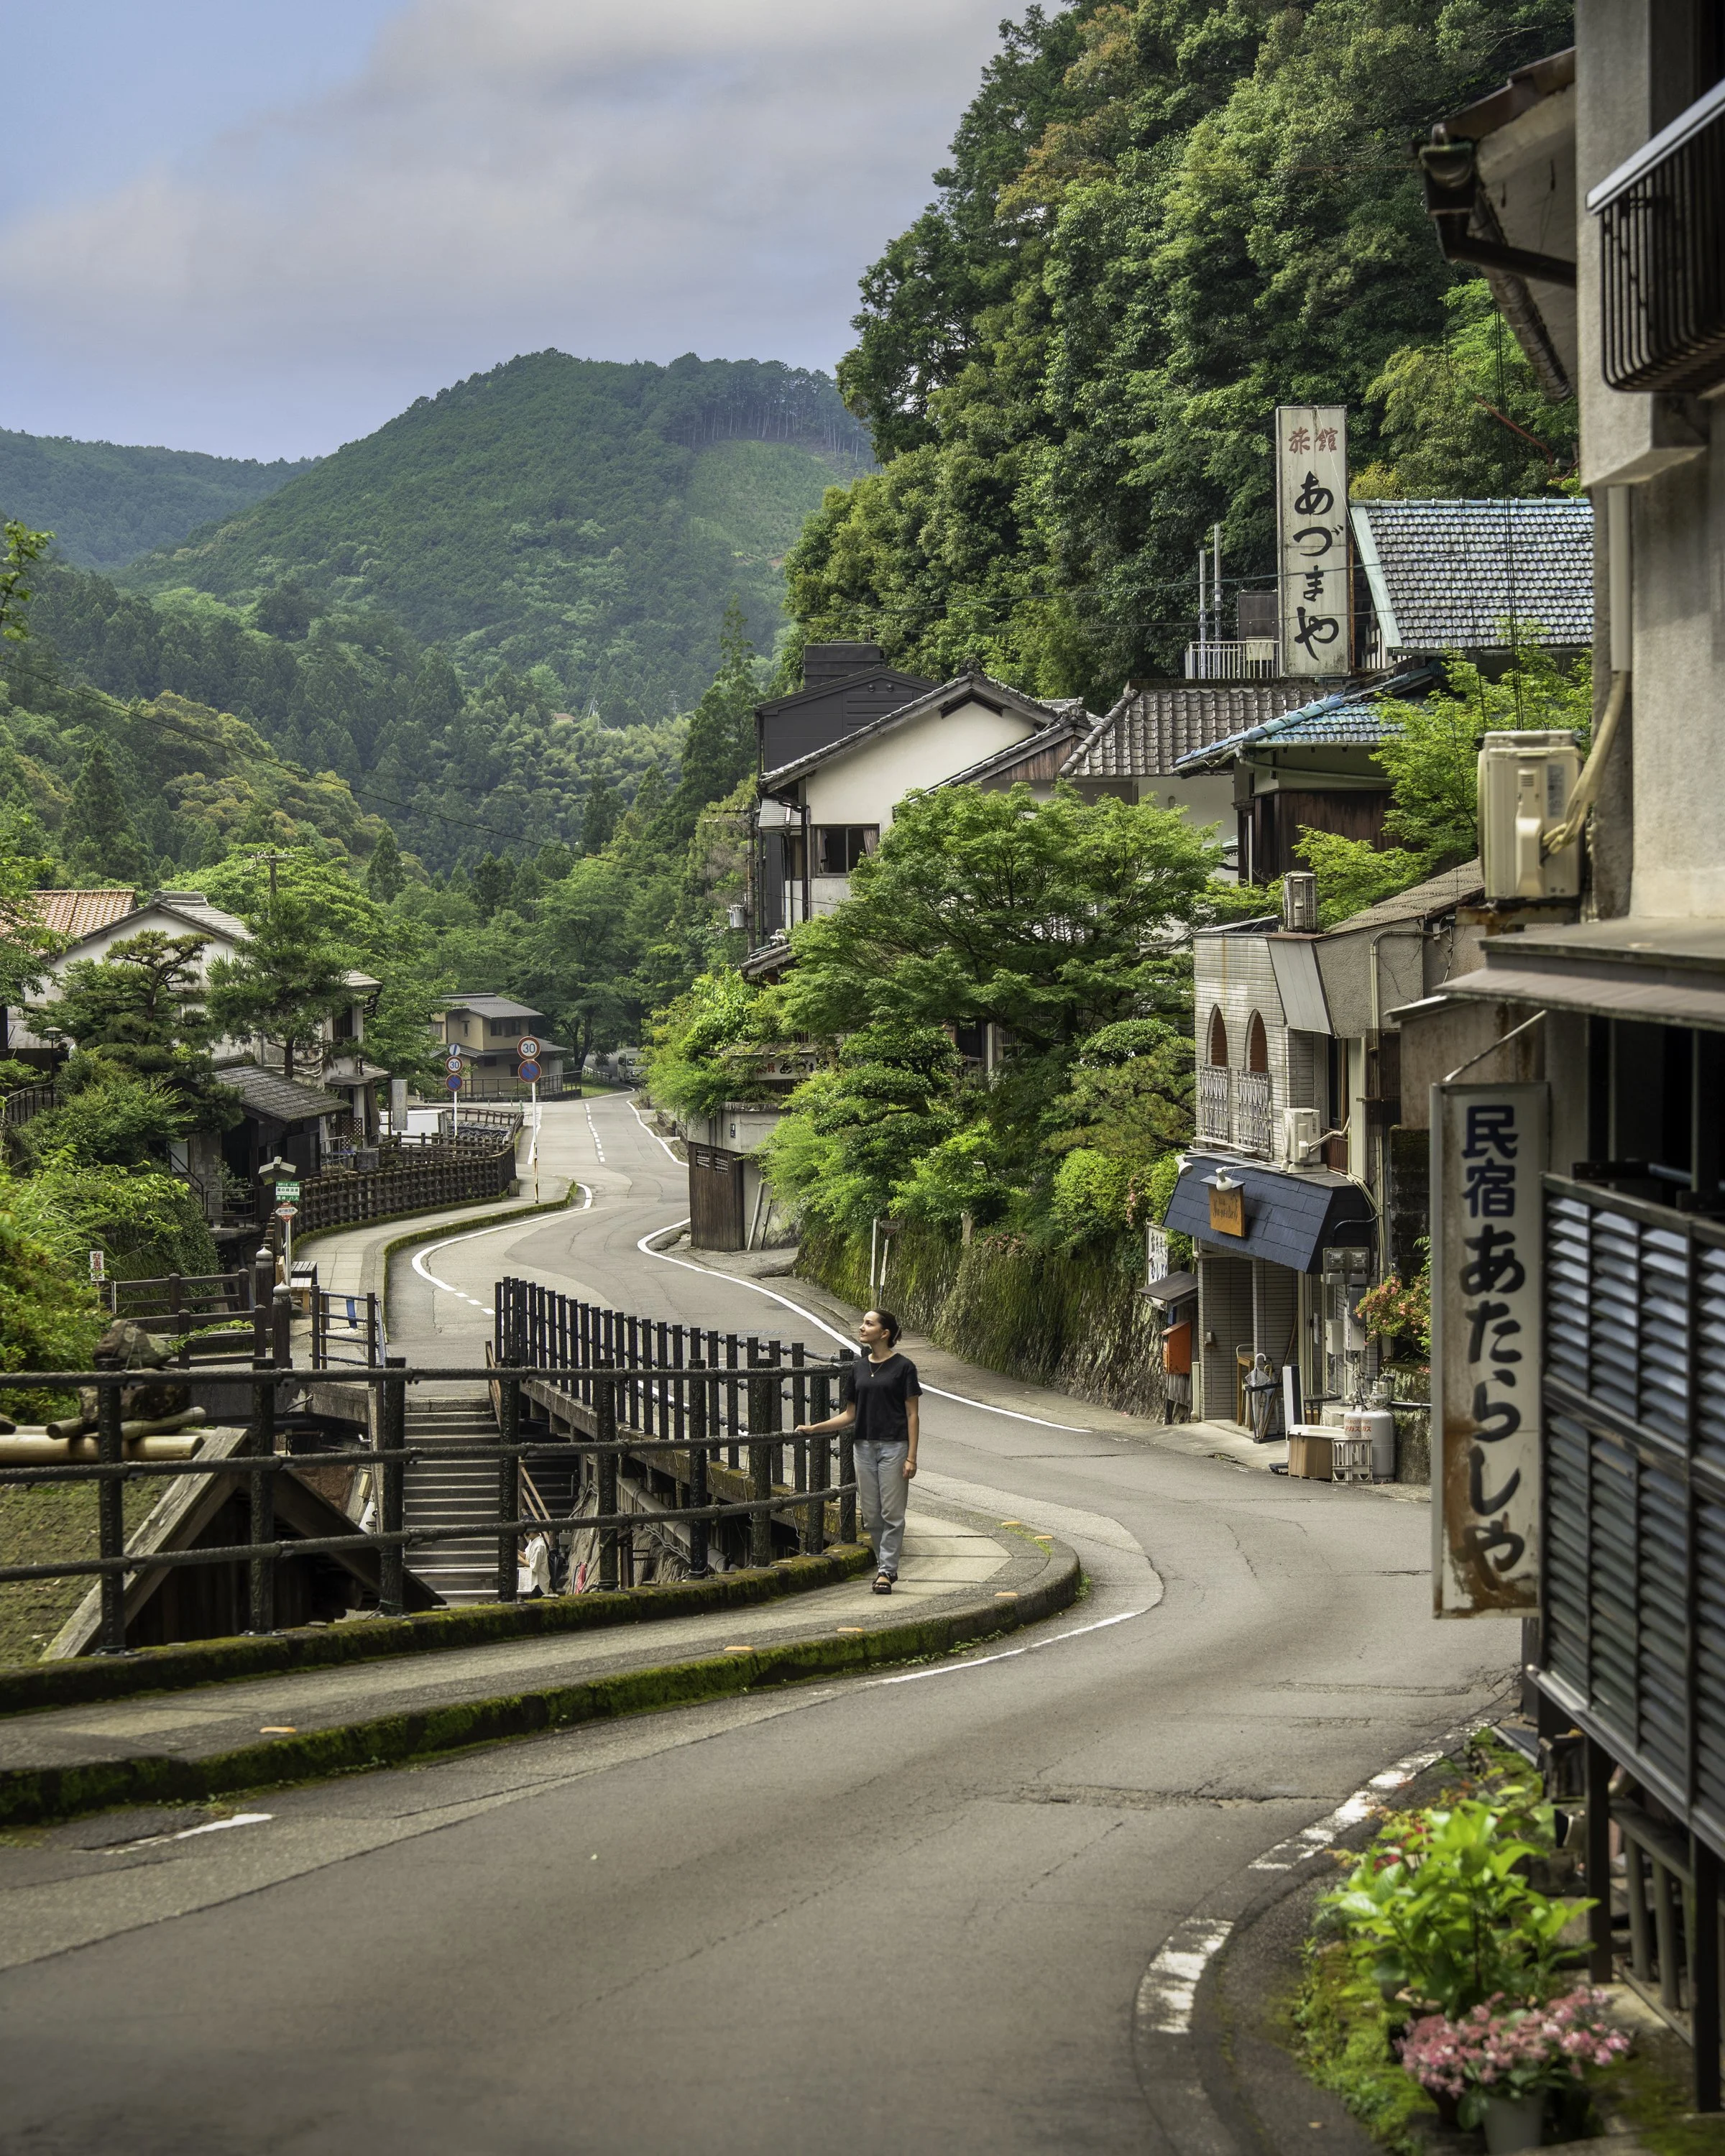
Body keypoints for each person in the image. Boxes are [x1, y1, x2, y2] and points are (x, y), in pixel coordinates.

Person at [795, 1308, 920, 1593]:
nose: (862, 1327)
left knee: (892, 1513)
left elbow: (912, 1414)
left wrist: (912, 1456)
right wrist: (815, 1428)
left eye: (869, 1323)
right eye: (863, 1322)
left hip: (895, 1447)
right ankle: (883, 1565)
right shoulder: (859, 1368)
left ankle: (887, 1571)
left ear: (884, 1333)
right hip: (863, 1447)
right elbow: (850, 1414)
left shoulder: (904, 1368)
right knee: (873, 1515)